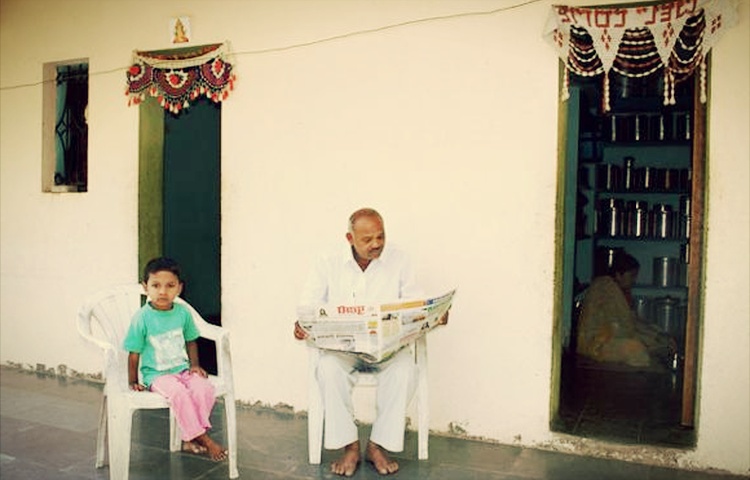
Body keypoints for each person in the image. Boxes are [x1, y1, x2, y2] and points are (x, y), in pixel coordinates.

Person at [294, 208, 446, 477]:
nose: (376, 244)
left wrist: (432, 317)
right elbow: (309, 305)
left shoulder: (400, 259)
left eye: (381, 236)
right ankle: (350, 446)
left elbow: (414, 303)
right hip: (344, 349)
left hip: (388, 348)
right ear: (350, 238)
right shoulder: (327, 261)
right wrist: (303, 324)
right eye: (367, 239)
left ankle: (377, 445)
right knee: (328, 370)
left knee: (404, 371)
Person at [124, 257, 227, 461]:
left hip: (182, 370)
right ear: (145, 287)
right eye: (156, 285)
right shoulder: (142, 318)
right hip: (157, 375)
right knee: (179, 394)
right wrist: (133, 381)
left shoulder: (182, 313)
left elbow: (191, 341)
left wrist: (195, 365)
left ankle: (189, 437)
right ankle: (205, 440)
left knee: (204, 388)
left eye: (170, 286)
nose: (163, 291)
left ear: (179, 288)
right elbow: (133, 352)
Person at [576, 252, 674, 369]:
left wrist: (658, 334)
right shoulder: (604, 286)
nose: (634, 280)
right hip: (596, 343)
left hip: (613, 335)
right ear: (618, 275)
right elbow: (623, 327)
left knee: (663, 341)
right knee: (636, 349)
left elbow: (631, 320)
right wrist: (650, 338)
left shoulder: (620, 289)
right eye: (632, 275)